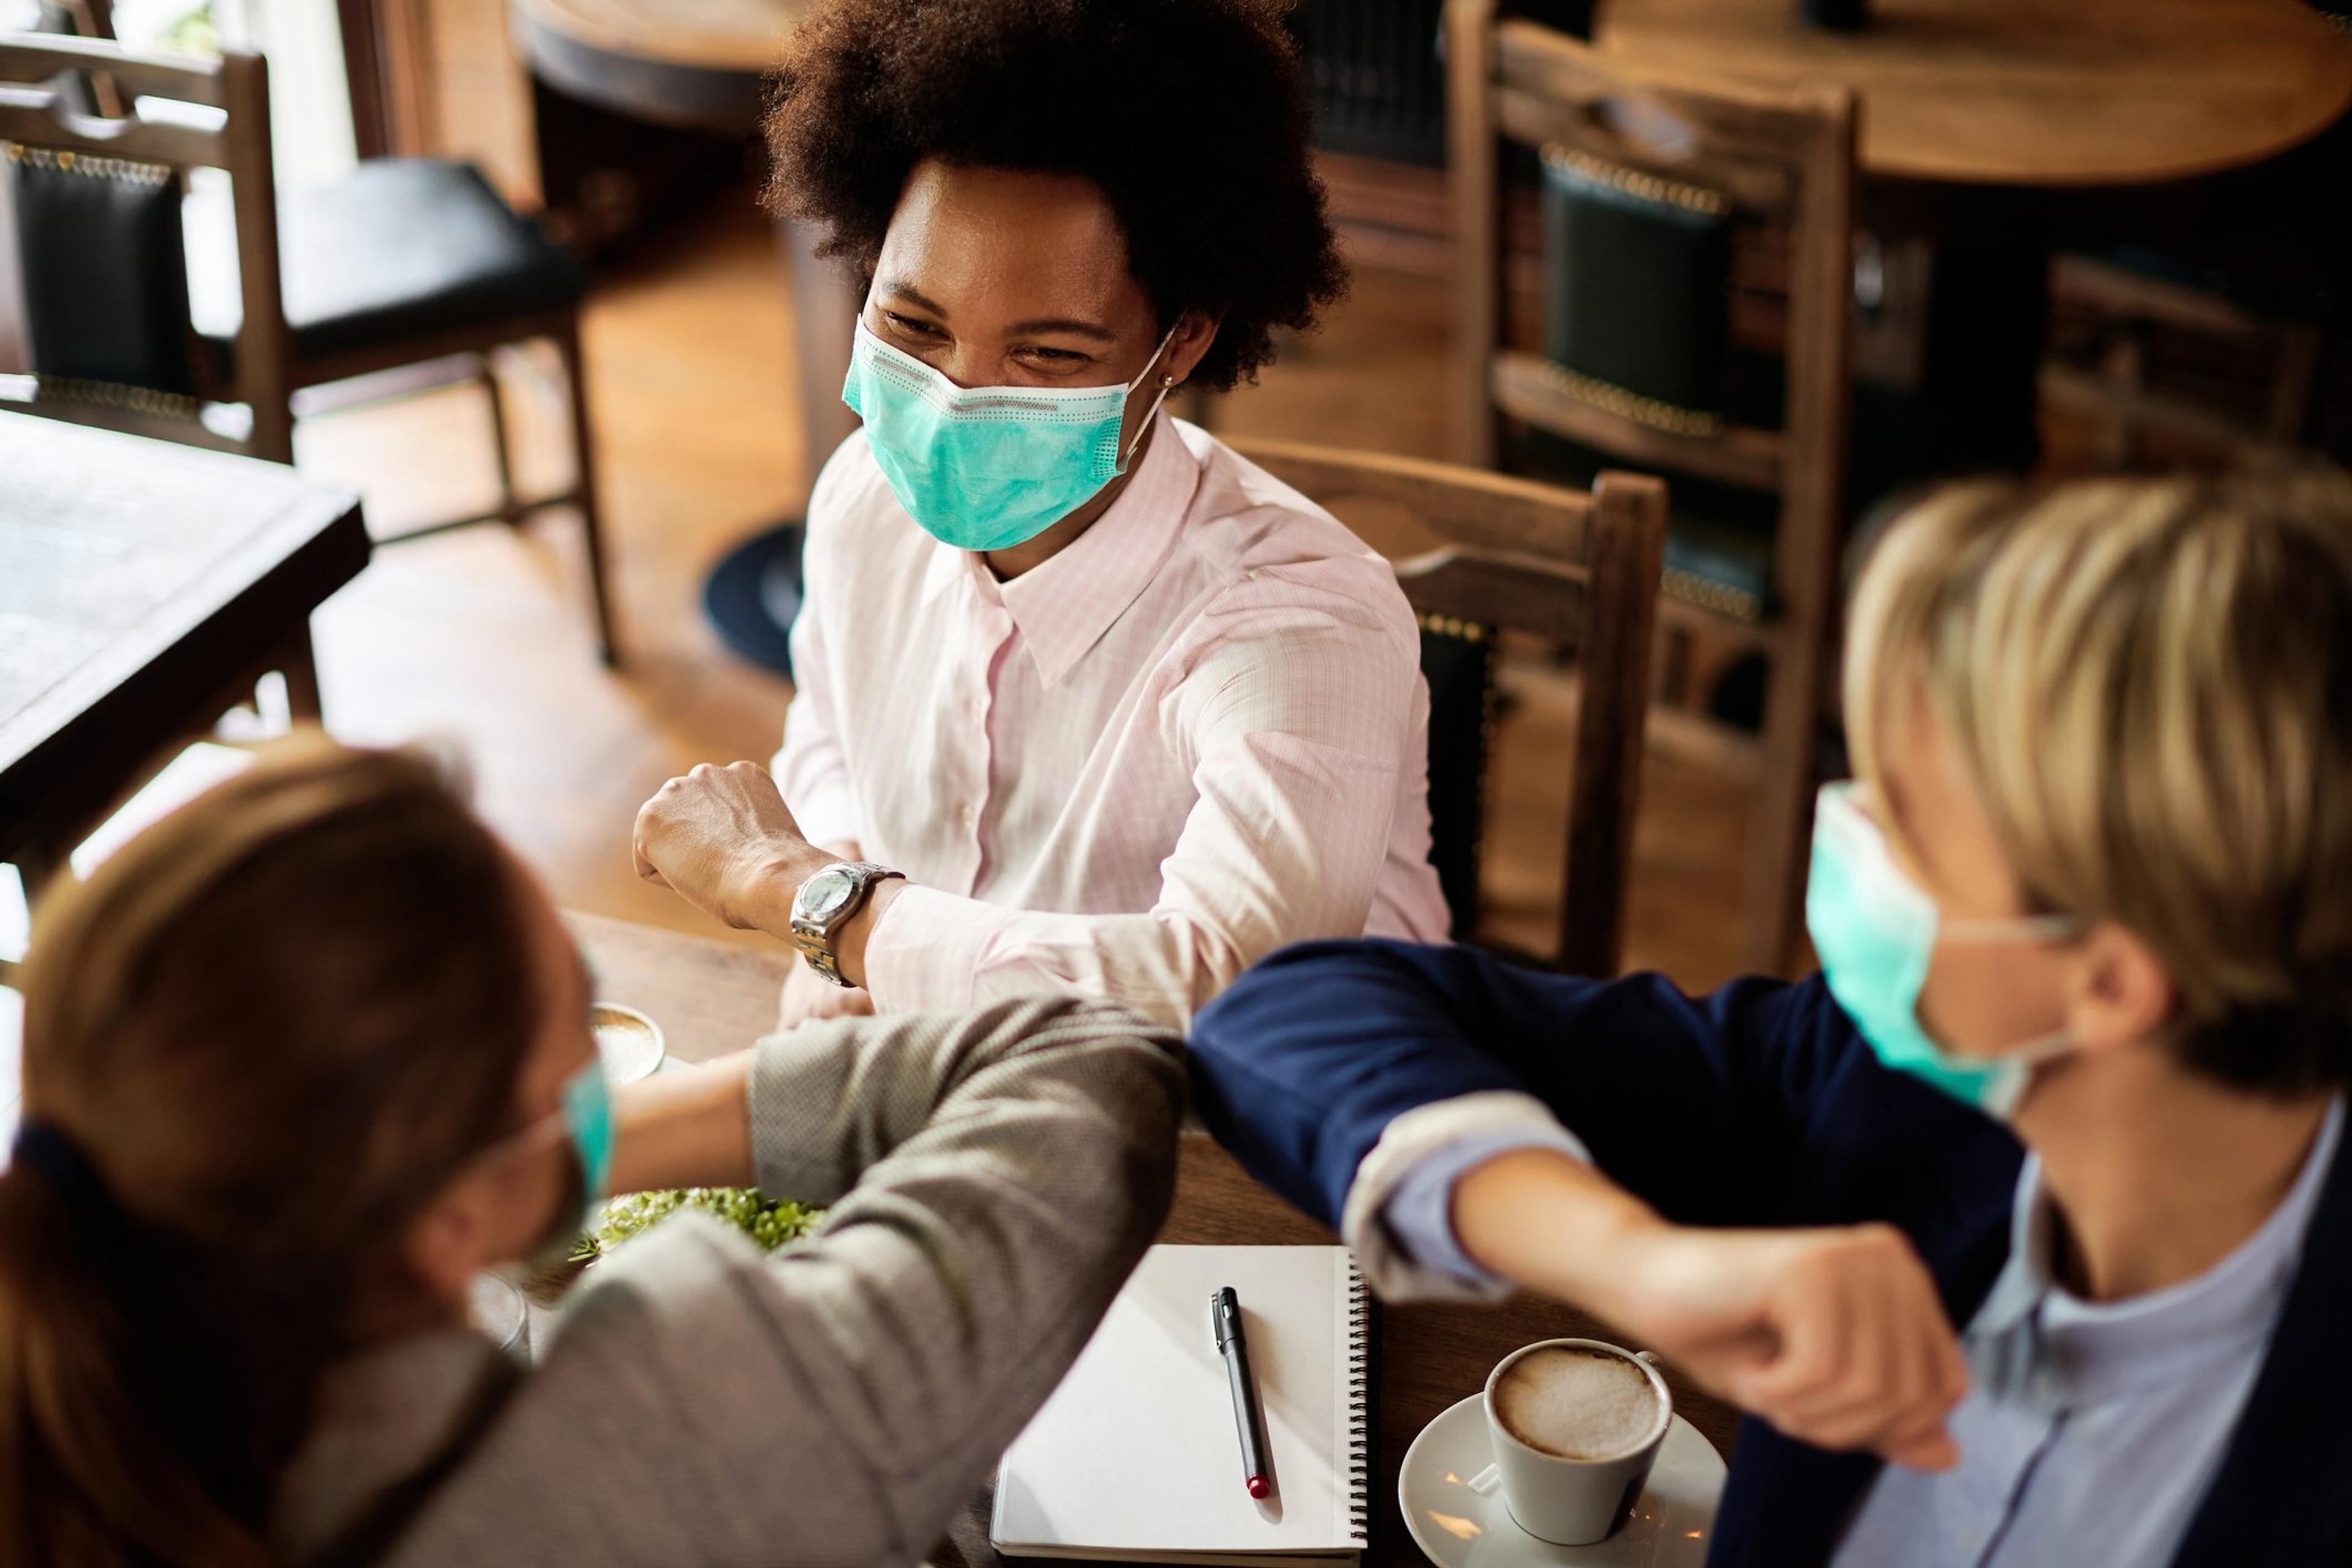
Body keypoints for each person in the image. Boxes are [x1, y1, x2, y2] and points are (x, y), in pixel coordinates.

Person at [1188, 470, 2352, 1567]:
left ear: (2107, 980)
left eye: (1904, 824)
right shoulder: (1875, 1085)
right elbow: (1285, 1017)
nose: (1841, 835)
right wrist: (1638, 1264)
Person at [0, 736, 1183, 1567]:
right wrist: (792, 891)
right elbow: (1089, 1065)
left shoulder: (78, 1422)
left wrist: (498, 1168)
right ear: (448, 1216)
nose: (594, 1073)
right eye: (577, 1019)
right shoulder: (664, 1441)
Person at [630, 0, 1450, 1033]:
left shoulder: (1297, 623)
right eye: (912, 323)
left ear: (1183, 342)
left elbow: (1224, 986)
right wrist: (840, 930)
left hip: (1254, 1142)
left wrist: (813, 903)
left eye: (1048, 356)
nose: (957, 398)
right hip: (949, 1091)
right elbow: (831, 742)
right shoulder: (860, 500)